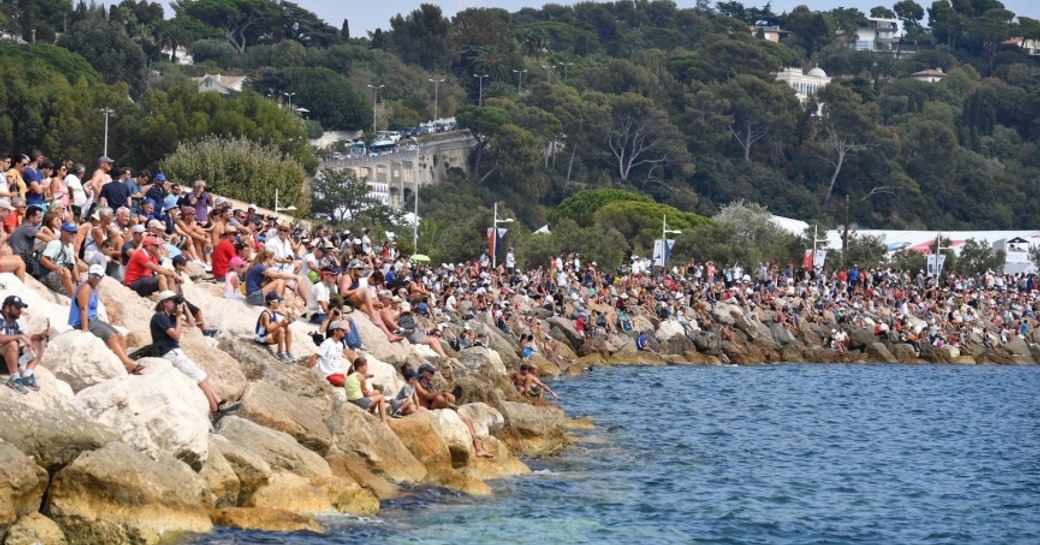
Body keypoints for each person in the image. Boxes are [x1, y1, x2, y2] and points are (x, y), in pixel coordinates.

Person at [151, 291, 240, 419]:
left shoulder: (169, 317)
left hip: (174, 352)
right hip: (168, 352)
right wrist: (178, 317)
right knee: (199, 377)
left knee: (202, 375)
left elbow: (192, 324)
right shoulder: (159, 317)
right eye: (173, 301)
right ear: (164, 302)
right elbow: (176, 335)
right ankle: (216, 410)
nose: (175, 304)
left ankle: (219, 402)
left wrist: (185, 307)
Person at [71, 264, 143, 374]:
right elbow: (83, 308)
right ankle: (127, 364)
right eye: (93, 275)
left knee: (119, 336)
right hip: (83, 321)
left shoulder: (93, 287)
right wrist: (85, 330)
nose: (95, 278)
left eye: (98, 276)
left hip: (93, 318)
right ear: (89, 274)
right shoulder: (85, 287)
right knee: (113, 337)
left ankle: (125, 361)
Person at [414, 364, 494, 458]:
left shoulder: (428, 384)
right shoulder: (416, 382)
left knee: (467, 420)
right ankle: (479, 449)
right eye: (431, 372)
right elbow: (426, 395)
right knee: (440, 398)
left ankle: (479, 448)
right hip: (428, 409)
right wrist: (444, 394)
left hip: (436, 408)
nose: (433, 374)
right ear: (424, 373)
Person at [1, 295, 49, 394]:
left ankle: (27, 375)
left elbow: (30, 336)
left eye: (20, 308)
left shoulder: (15, 323)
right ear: (7, 308)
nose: (20, 310)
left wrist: (41, 336)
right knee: (12, 344)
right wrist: (19, 337)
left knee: (38, 344)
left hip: (7, 361)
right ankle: (14, 379)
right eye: (17, 308)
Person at [344, 357, 389, 427]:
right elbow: (366, 394)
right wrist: (375, 392)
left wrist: (366, 378)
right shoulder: (361, 378)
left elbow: (358, 389)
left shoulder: (349, 376)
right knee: (380, 397)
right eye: (365, 366)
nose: (367, 368)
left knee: (375, 396)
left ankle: (370, 415)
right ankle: (384, 422)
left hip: (350, 400)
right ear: (360, 367)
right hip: (358, 402)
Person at [306, 319, 350, 386]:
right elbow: (315, 357)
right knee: (349, 385)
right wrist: (306, 372)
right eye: (342, 330)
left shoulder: (340, 344)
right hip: (328, 375)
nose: (344, 332)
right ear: (335, 331)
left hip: (338, 373)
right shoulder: (327, 343)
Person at [38, 222, 79, 295]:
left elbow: (73, 265)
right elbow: (43, 260)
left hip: (61, 277)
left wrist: (78, 280)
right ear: (63, 233)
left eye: (75, 232)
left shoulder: (70, 247)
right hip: (48, 274)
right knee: (65, 271)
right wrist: (57, 267)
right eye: (71, 232)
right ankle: (75, 298)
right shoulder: (56, 243)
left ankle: (74, 294)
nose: (74, 235)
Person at [254, 292, 295, 363]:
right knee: (280, 330)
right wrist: (282, 324)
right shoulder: (266, 314)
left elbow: (278, 324)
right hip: (262, 338)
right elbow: (269, 329)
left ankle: (288, 351)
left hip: (268, 336)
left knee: (288, 329)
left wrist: (287, 322)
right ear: (271, 303)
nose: (279, 303)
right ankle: (280, 352)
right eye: (278, 301)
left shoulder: (273, 313)